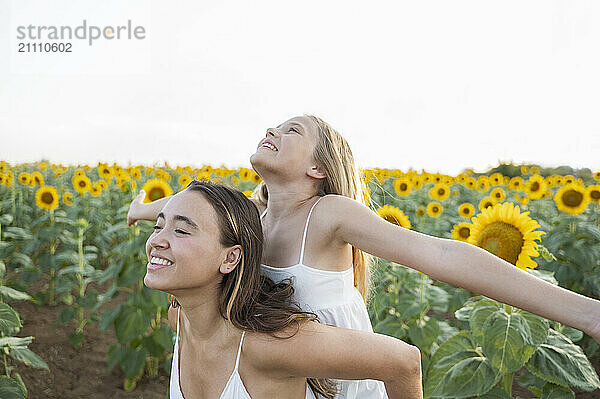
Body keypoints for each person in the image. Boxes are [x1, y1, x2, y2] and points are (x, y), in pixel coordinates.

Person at [131, 115, 600, 398]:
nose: (272, 129)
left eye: (291, 130)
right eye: (274, 124)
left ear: (318, 167)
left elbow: (438, 253)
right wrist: (145, 209)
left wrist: (584, 313)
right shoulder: (255, 214)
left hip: (346, 376)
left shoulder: (328, 214)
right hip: (281, 374)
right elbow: (188, 204)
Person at [144, 179, 423, 399]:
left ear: (230, 258)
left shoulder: (268, 344)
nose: (157, 240)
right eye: (159, 226)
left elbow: (404, 362)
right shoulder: (180, 320)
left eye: (181, 231)